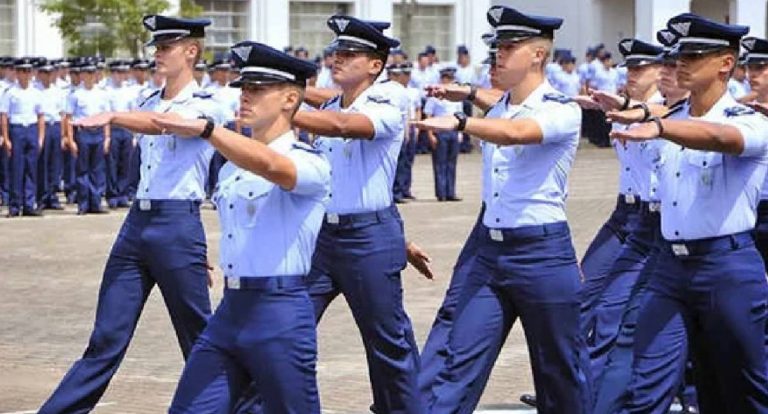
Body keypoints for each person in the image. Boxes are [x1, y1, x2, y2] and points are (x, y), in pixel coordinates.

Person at [38, 15, 221, 413]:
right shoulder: (148, 100)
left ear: (190, 51)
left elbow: (170, 127)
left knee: (199, 338)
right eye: (155, 46)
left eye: (165, 47)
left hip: (177, 224)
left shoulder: (207, 103)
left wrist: (114, 117)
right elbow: (153, 134)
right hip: (138, 224)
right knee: (106, 338)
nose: (156, 53)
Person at [414, 6, 591, 413]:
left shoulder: (562, 109)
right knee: (457, 356)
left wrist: (460, 123)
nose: (498, 54)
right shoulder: (498, 106)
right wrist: (472, 95)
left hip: (542, 254)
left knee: (560, 371)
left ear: (538, 55)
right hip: (489, 253)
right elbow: (504, 111)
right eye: (497, 47)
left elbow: (516, 132)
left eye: (509, 47)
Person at [156, 41, 329, 414]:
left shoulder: (310, 163)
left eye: (257, 89)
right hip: (231, 309)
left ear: (289, 99)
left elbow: (271, 166)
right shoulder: (233, 166)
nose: (245, 96)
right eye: (244, 88)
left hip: (279, 311)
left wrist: (208, 131)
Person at [612, 13, 768, 413]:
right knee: (646, 382)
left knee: (742, 388)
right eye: (680, 54)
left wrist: (662, 128)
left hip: (726, 266)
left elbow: (719, 138)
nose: (680, 63)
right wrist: (653, 120)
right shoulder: (665, 120)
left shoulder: (747, 120)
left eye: (694, 55)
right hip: (670, 267)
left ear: (725, 64)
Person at [291, 15, 423, 413]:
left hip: (368, 236)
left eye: (349, 54)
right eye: (336, 52)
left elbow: (345, 126)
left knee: (387, 344)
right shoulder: (332, 102)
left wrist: (281, 112)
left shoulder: (391, 96)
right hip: (322, 240)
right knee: (288, 326)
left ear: (375, 65)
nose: (337, 59)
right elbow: (329, 114)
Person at [64, 59, 111, 215]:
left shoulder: (102, 94)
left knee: (97, 170)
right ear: (82, 75)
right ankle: (83, 203)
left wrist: (107, 137)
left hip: (98, 133)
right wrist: (70, 140)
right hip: (82, 133)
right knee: (83, 170)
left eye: (92, 73)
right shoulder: (75, 94)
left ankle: (96, 203)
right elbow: (69, 119)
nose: (90, 76)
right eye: (87, 73)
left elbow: (106, 118)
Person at [0, 57, 45, 217]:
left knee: (31, 169)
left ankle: (29, 204)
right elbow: (4, 116)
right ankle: (14, 205)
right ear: (17, 73)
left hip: (31, 129)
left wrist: (40, 137)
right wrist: (6, 138)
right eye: (22, 71)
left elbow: (40, 116)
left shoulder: (36, 92)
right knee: (16, 169)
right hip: (17, 130)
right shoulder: (10, 92)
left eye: (28, 71)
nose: (26, 74)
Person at [424, 66, 462, 202]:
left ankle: (451, 192)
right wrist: (430, 134)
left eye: (451, 79)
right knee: (440, 163)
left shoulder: (457, 97)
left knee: (452, 163)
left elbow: (460, 116)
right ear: (442, 79)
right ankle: (441, 193)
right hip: (439, 132)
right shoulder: (434, 97)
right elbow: (428, 115)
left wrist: (461, 133)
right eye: (447, 79)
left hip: (453, 131)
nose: (449, 81)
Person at [35, 60, 67, 210]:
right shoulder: (35, 90)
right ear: (40, 74)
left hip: (55, 127)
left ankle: (52, 196)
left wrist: (63, 135)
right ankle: (41, 196)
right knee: (42, 163)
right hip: (42, 126)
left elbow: (62, 115)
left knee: (55, 164)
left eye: (50, 73)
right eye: (45, 73)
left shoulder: (57, 91)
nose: (48, 76)